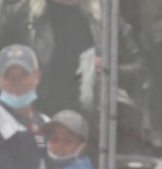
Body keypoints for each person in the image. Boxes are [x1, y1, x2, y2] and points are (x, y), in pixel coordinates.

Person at [0, 0, 146, 116]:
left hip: (91, 129)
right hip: (32, 119)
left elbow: (140, 69)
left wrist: (111, 71)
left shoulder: (108, 17)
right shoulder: (19, 13)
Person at [0, 44, 48, 169]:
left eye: (23, 75)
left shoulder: (47, 123)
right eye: (9, 76)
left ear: (37, 76)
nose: (16, 82)